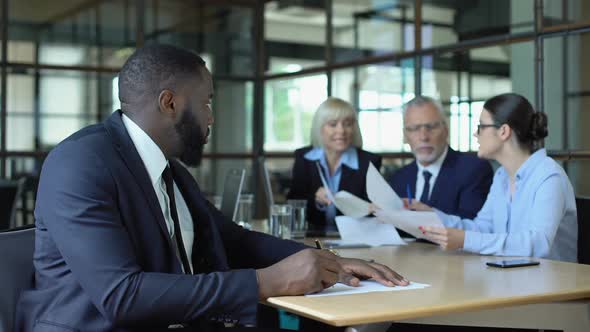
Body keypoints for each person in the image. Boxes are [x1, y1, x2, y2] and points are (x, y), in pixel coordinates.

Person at [16, 44, 408, 331]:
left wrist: (328, 261)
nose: (211, 117)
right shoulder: (81, 164)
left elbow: (233, 240)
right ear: (169, 103)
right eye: (205, 103)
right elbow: (123, 296)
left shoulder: (169, 170)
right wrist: (263, 282)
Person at [417, 93, 577, 262]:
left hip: (554, 284)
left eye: (481, 127)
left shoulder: (549, 176)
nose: (475, 134)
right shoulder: (502, 176)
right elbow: (483, 228)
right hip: (511, 279)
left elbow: (539, 244)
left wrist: (466, 240)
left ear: (503, 131)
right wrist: (431, 215)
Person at [388, 96, 493, 220]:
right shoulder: (399, 177)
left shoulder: (473, 170)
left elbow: (472, 227)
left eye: (431, 127)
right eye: (414, 129)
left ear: (446, 130)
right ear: (405, 135)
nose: (423, 137)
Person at [287, 97, 381, 234]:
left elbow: (374, 211)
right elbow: (294, 202)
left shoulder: (368, 161)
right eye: (333, 124)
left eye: (347, 124)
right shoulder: (304, 157)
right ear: (320, 128)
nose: (341, 131)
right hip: (312, 237)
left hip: (355, 238)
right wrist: (316, 200)